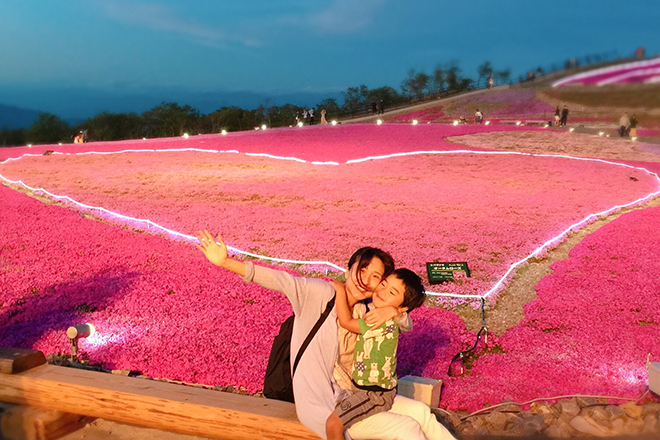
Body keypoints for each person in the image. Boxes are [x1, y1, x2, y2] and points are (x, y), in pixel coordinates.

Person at [196, 231, 456, 440]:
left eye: (375, 276)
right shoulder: (321, 294)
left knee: (421, 413)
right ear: (348, 268)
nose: (364, 279)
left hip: (361, 396)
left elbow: (405, 320)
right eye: (361, 269)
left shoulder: (370, 310)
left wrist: (392, 311)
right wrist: (226, 263)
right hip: (329, 404)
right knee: (405, 429)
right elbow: (282, 280)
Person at [326, 269, 427, 440]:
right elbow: (406, 322)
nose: (382, 292)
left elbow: (346, 322)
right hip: (375, 391)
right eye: (383, 284)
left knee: (332, 424)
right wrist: (396, 312)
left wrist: (340, 291)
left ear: (402, 307)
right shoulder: (387, 315)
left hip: (371, 394)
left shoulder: (380, 320)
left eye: (392, 292)